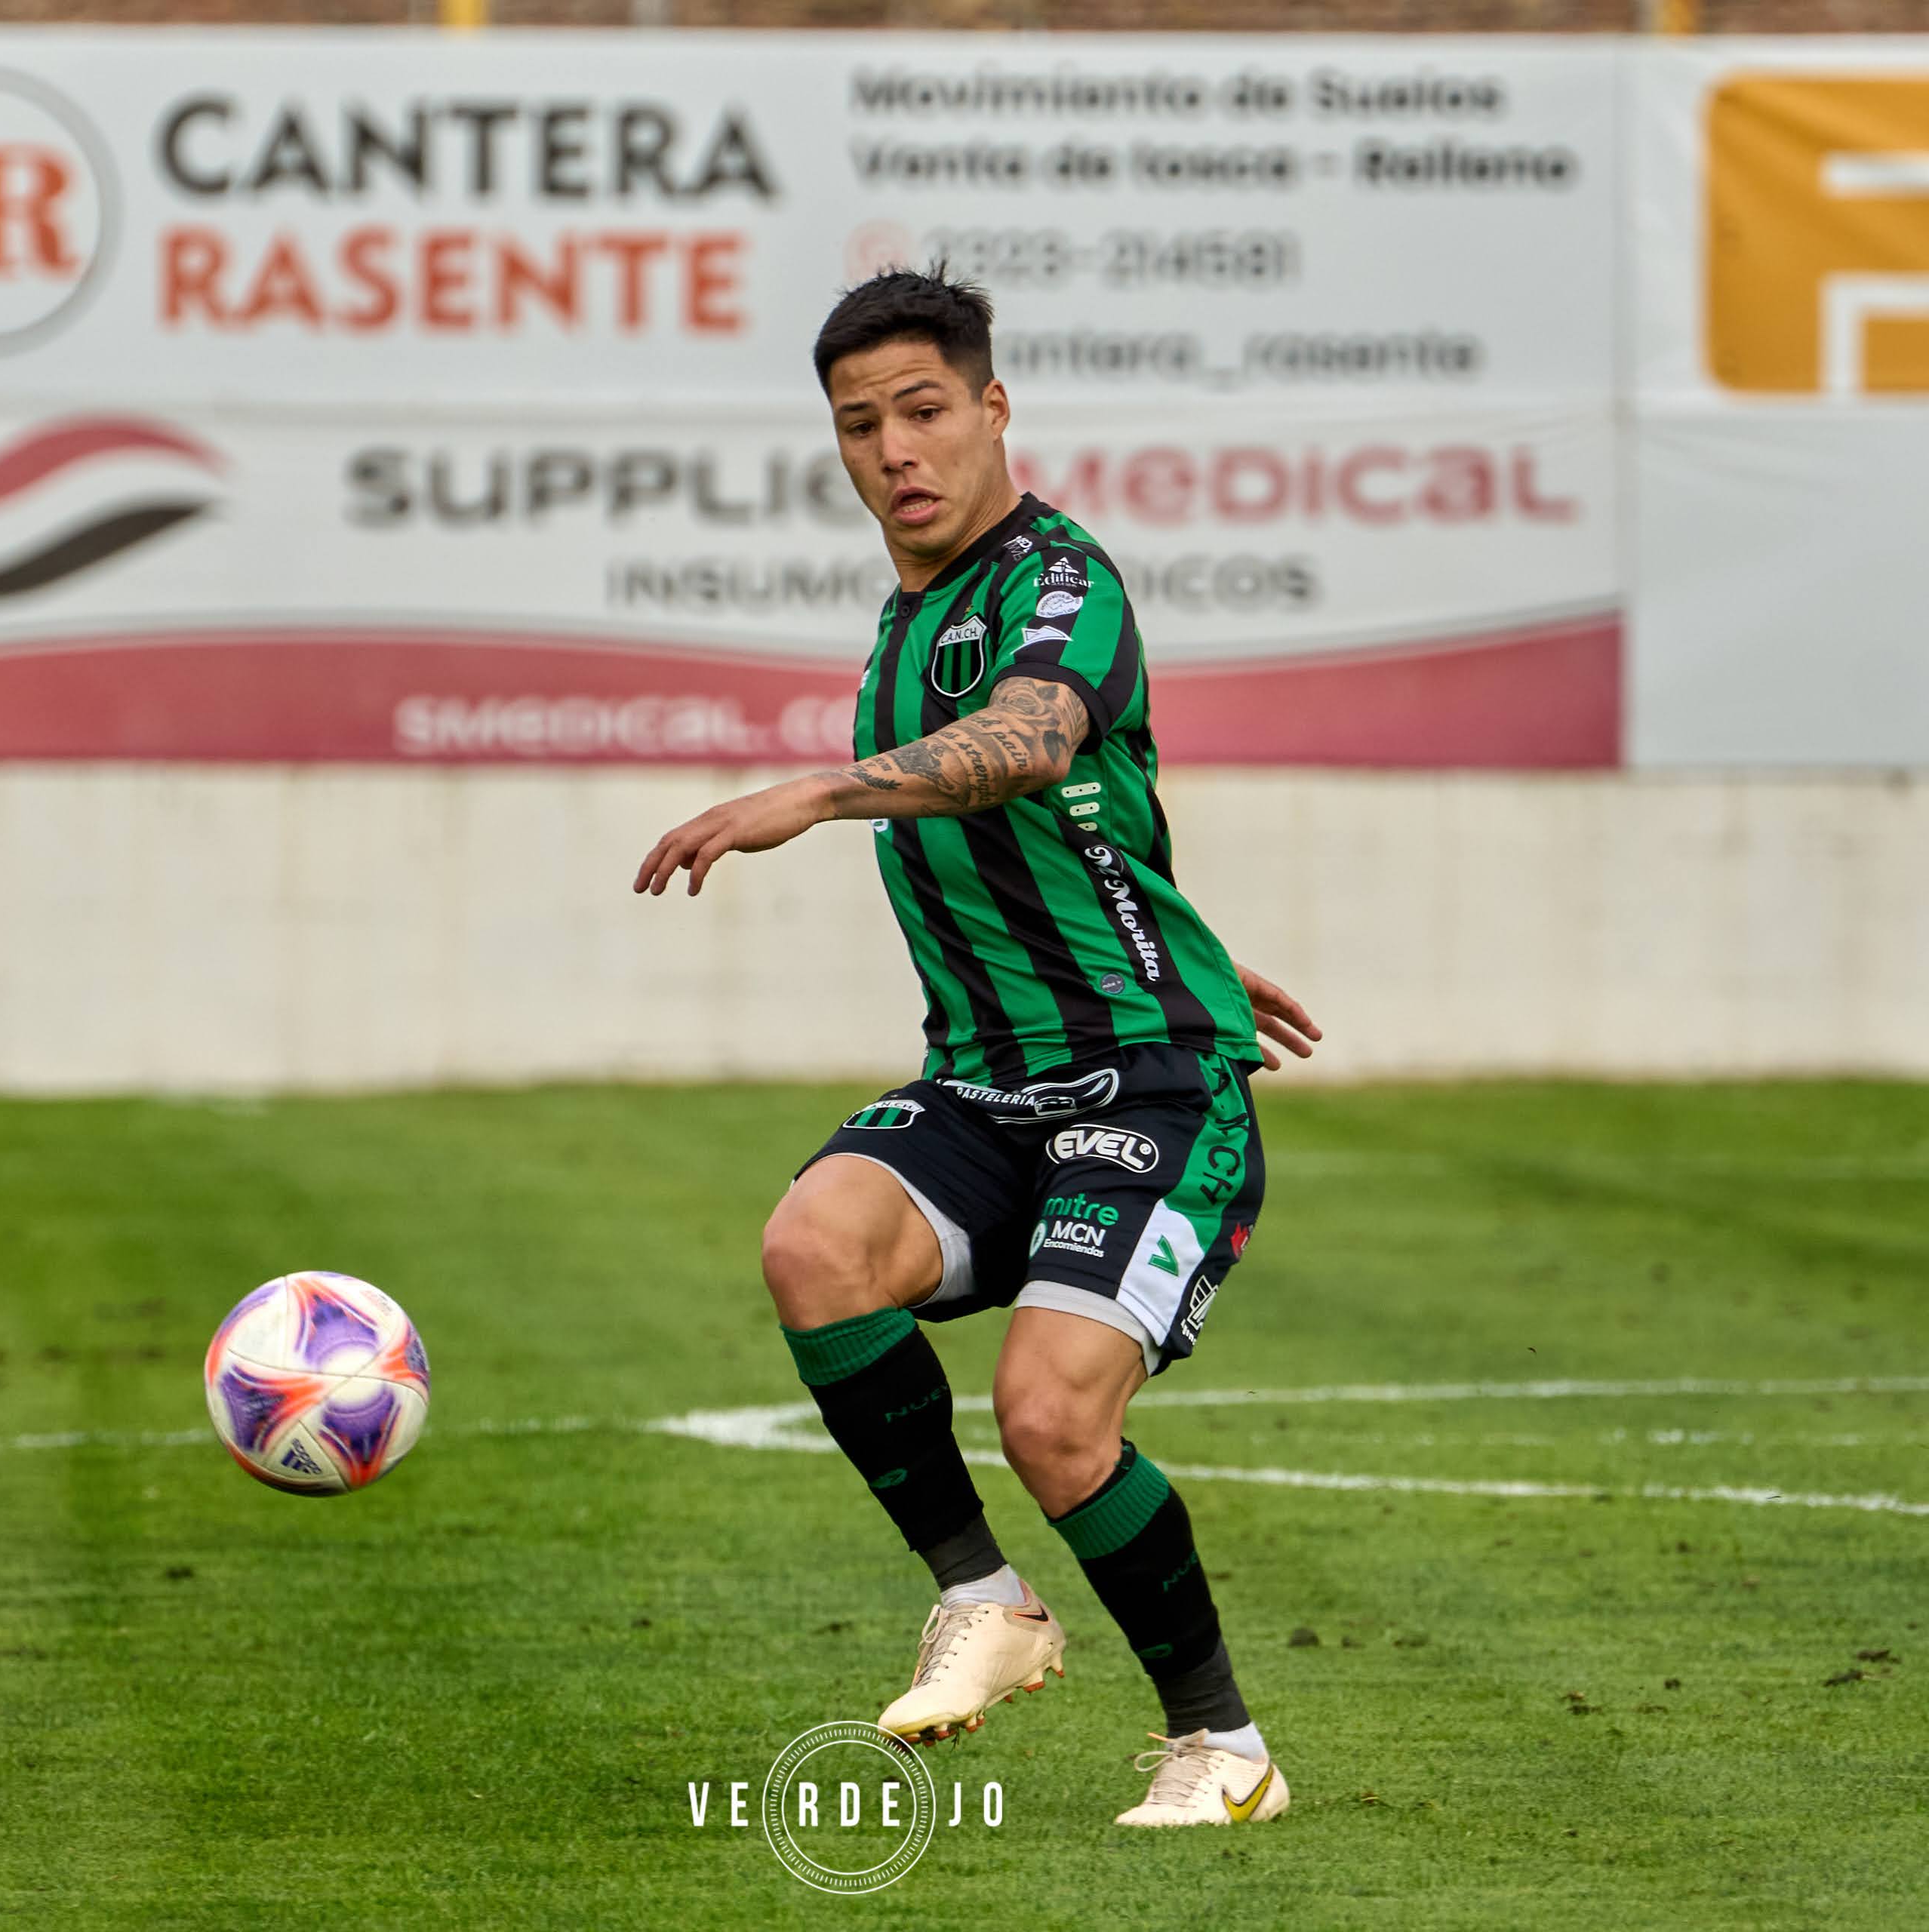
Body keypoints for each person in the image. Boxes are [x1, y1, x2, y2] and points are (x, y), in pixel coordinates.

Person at [635, 266, 1321, 1827]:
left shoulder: (1062, 578)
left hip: (1147, 1088)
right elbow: (1080, 829)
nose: (896, 450)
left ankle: (1223, 1744)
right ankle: (988, 1600)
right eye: (860, 424)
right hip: (989, 1075)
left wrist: (813, 790)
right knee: (815, 1241)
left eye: (926, 411)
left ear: (994, 407)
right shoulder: (907, 612)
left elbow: (1031, 744)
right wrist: (1176, 933)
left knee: (1052, 1415)